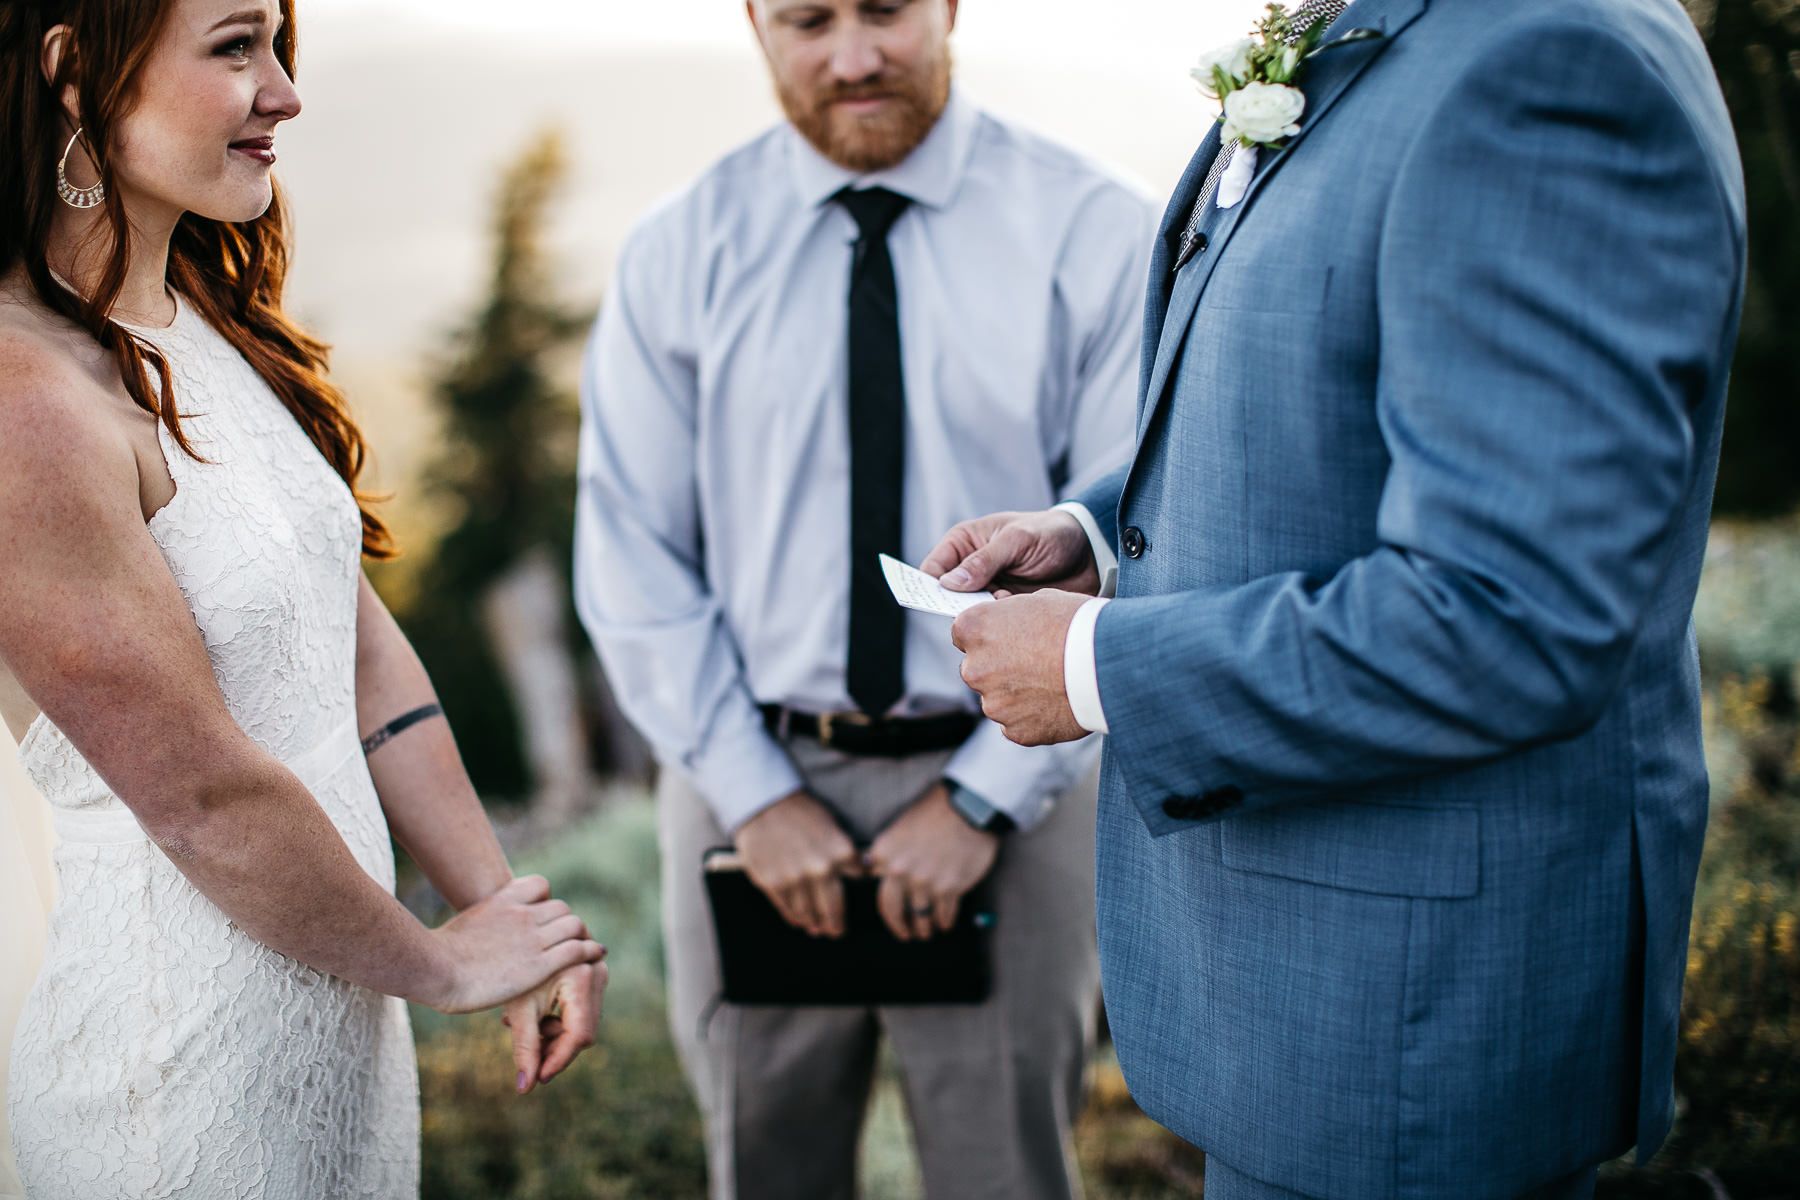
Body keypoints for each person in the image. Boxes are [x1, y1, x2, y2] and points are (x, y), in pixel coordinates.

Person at [923, 0, 1747, 1197]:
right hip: (1310, 1003)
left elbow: (1511, 615)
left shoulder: (1547, 66)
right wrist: (1099, 532)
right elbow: (1331, 387)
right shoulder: (1398, 26)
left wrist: (1097, 666)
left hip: (1412, 1018)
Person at [0, 2, 606, 1195]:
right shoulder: (25, 405)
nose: (284, 93)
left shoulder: (201, 321)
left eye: (279, 46)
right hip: (174, 1080)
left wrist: (503, 911)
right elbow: (203, 800)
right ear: (75, 76)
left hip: (335, 1032)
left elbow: (365, 657)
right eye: (235, 49)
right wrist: (440, 968)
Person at [572, 1, 1154, 1195]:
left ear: (946, 8)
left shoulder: (1093, 230)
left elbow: (1134, 533)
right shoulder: (679, 251)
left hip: (1023, 782)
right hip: (749, 795)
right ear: (753, 22)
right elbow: (633, 557)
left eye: (886, 9)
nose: (852, 56)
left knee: (1008, 1173)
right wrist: (756, 797)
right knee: (768, 1169)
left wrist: (980, 805)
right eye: (807, 19)